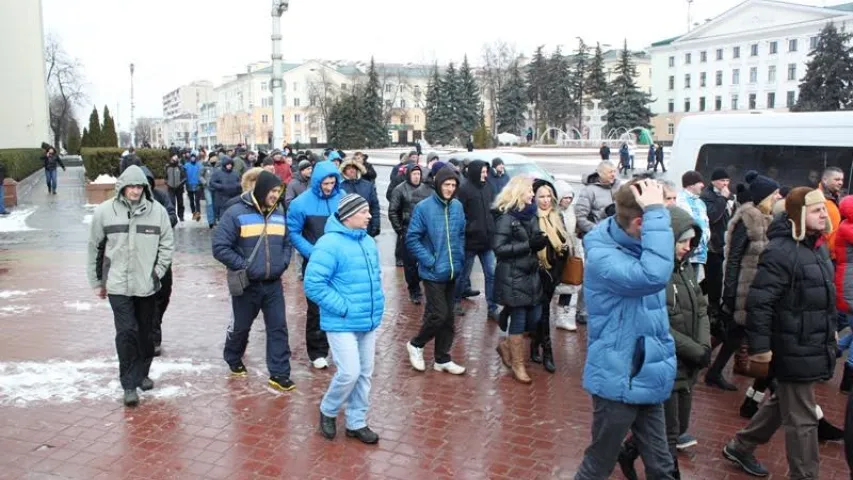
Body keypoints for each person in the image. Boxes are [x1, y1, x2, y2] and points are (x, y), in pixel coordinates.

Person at [722, 187, 837, 479]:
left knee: (783, 402)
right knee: (803, 419)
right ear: (798, 215)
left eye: (823, 209)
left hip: (809, 342)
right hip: (789, 346)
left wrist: (830, 332)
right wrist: (761, 349)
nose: (823, 214)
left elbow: (822, 299)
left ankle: (741, 445)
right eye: (816, 210)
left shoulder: (817, 247)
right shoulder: (780, 251)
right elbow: (759, 304)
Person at [574, 179, 676, 480]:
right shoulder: (604, 255)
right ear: (642, 222)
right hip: (617, 377)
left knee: (662, 466)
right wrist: (657, 212)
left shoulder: (637, 242)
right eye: (660, 220)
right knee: (598, 465)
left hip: (648, 371)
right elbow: (652, 275)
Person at [618, 205, 710, 480]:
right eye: (682, 241)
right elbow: (655, 323)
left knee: (677, 425)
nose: (687, 247)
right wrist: (695, 349)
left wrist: (703, 346)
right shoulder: (654, 275)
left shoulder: (685, 271)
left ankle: (630, 450)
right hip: (664, 364)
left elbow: (701, 307)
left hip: (688, 364)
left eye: (691, 242)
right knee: (667, 435)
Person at [87, 165, 174, 406]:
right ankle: (128, 384)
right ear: (122, 187)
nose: (135, 191)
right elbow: (94, 247)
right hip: (117, 285)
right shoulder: (105, 212)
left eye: (139, 186)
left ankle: (143, 373)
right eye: (131, 186)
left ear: (145, 188)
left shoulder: (157, 212)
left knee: (146, 333)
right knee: (126, 333)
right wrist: (97, 282)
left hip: (146, 285)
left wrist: (157, 274)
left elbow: (167, 245)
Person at [307, 194, 385, 445]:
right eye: (364, 212)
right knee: (349, 372)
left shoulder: (368, 242)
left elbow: (375, 277)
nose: (370, 215)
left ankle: (356, 422)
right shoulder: (329, 244)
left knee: (365, 374)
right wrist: (343, 307)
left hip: (368, 319)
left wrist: (377, 305)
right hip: (341, 321)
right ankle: (328, 410)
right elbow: (314, 284)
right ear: (349, 216)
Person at [212, 170, 294, 391]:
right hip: (247, 284)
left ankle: (279, 373)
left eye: (278, 191)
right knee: (241, 327)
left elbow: (287, 243)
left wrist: (283, 263)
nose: (275, 195)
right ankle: (233, 357)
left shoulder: (279, 212)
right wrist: (245, 266)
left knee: (278, 328)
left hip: (273, 284)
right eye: (272, 191)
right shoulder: (235, 213)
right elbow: (220, 247)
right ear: (261, 190)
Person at [706, 171, 779, 393]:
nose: (777, 198)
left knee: (731, 333)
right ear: (764, 196)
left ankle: (704, 365)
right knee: (734, 332)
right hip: (741, 288)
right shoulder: (749, 217)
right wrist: (730, 291)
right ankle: (710, 370)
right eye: (774, 194)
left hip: (752, 287)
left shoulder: (764, 217)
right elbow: (734, 257)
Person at [405, 166, 466, 375]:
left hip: (452, 269)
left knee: (449, 318)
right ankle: (416, 344)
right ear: (438, 185)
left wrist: (459, 256)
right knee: (438, 315)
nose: (450, 189)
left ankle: (442, 358)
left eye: (453, 185)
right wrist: (429, 260)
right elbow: (412, 238)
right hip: (432, 272)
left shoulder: (457, 206)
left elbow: (460, 234)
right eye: (446, 185)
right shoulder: (424, 208)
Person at [287, 161, 344, 370]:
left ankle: (338, 348)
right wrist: (313, 252)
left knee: (339, 306)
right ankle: (317, 351)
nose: (329, 187)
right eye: (325, 183)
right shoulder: (301, 203)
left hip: (340, 264)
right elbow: (293, 232)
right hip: (315, 263)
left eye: (332, 182)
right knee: (316, 309)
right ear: (317, 182)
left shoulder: (342, 198)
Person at [492, 176, 546, 384]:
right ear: (518, 192)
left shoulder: (531, 215)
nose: (533, 194)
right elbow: (499, 249)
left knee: (535, 316)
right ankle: (518, 364)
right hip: (512, 277)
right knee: (520, 318)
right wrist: (528, 246)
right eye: (530, 191)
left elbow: (533, 240)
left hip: (530, 275)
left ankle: (506, 346)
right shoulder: (506, 218)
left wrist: (539, 243)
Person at [573, 161, 620, 324]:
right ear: (600, 173)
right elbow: (580, 217)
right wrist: (597, 230)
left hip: (615, 238)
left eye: (614, 171)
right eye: (610, 172)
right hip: (595, 238)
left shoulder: (619, 188)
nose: (613, 175)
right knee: (592, 274)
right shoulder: (589, 191)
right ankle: (583, 310)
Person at [529, 179, 568, 374]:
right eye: (541, 197)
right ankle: (547, 352)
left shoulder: (556, 216)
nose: (545, 200)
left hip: (555, 272)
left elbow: (563, 242)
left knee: (541, 313)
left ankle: (535, 345)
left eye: (547, 196)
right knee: (543, 313)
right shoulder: (532, 219)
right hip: (539, 272)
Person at [140, 166, 178, 357]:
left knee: (163, 295)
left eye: (147, 183)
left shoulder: (160, 197)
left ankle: (155, 324)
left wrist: (159, 224)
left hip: (161, 256)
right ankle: (153, 337)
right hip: (141, 259)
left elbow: (173, 216)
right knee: (148, 299)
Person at [454, 160, 498, 319]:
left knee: (491, 274)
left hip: (487, 241)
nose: (485, 175)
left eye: (486, 172)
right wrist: (470, 227)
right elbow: (458, 214)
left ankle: (492, 308)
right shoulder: (464, 189)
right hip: (470, 242)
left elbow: (493, 209)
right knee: (463, 275)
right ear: (475, 172)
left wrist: (494, 226)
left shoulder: (488, 187)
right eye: (483, 172)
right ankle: (456, 301)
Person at [389, 165, 432, 304]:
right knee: (410, 264)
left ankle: (424, 284)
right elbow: (393, 211)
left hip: (425, 233)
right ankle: (414, 290)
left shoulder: (427, 190)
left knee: (425, 261)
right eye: (414, 174)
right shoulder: (400, 189)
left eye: (419, 174)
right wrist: (400, 230)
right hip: (408, 231)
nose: (416, 176)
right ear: (408, 175)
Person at [700, 168, 735, 319]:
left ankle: (700, 297)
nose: (725, 184)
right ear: (714, 181)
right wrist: (723, 199)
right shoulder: (707, 196)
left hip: (725, 240)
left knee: (716, 277)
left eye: (727, 181)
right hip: (713, 244)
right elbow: (713, 215)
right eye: (722, 181)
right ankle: (711, 307)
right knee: (713, 276)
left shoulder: (729, 195)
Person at [553, 180, 581, 331]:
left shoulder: (570, 211)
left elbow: (573, 231)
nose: (568, 201)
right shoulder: (551, 212)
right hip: (554, 254)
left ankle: (562, 316)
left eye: (570, 198)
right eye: (565, 197)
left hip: (568, 252)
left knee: (569, 285)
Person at [676, 171, 710, 281]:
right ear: (691, 185)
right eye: (700, 182)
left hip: (698, 253)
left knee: (693, 285)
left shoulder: (700, 203)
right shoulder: (679, 201)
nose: (703, 185)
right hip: (686, 253)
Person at [836, 195, 853, 393]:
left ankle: (833, 353)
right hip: (849, 283)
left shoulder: (845, 225)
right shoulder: (848, 228)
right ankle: (847, 380)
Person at [339, 159, 380, 238]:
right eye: (348, 168)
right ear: (344, 171)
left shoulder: (368, 185)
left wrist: (376, 225)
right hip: (347, 229)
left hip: (366, 227)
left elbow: (375, 207)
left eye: (353, 168)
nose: (351, 170)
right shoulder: (340, 187)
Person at [819, 166, 844, 260]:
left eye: (841, 179)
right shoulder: (817, 198)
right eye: (837, 179)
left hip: (836, 254)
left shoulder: (839, 198)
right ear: (825, 180)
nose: (840, 182)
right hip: (824, 254)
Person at [209, 157, 242, 223]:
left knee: (233, 213)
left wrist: (237, 185)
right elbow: (212, 182)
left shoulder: (235, 173)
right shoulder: (217, 173)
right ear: (224, 165)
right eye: (228, 164)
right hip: (222, 197)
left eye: (230, 164)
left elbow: (240, 181)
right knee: (223, 214)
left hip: (233, 196)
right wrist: (220, 186)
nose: (229, 166)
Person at [165, 155, 187, 222]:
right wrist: (167, 183)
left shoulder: (180, 167)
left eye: (175, 159)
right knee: (172, 202)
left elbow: (184, 177)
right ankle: (173, 216)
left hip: (179, 188)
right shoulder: (167, 167)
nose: (173, 160)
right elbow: (165, 176)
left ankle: (181, 216)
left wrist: (180, 184)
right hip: (170, 188)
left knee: (180, 203)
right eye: (172, 159)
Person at [200, 153, 218, 228]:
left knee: (215, 204)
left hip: (216, 188)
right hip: (207, 188)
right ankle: (211, 221)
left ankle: (215, 220)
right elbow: (200, 175)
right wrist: (204, 182)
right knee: (210, 204)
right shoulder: (205, 166)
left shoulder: (218, 166)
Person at [184, 154, 203, 222]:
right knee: (191, 201)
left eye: (194, 157)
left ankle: (198, 215)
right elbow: (184, 174)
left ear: (195, 158)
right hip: (189, 185)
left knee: (197, 201)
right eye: (191, 158)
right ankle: (194, 213)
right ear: (190, 158)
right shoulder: (186, 165)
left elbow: (202, 172)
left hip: (197, 185)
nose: (193, 159)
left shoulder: (199, 165)